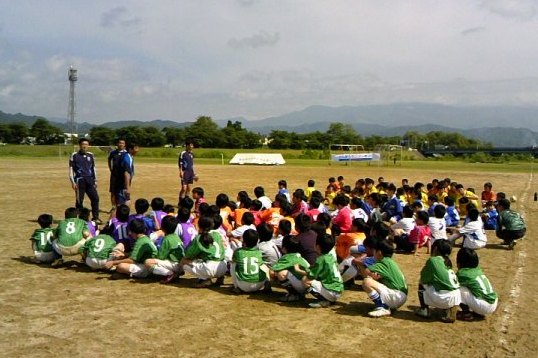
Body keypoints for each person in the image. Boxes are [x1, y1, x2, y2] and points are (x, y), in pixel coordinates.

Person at [357, 240, 408, 317]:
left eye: (374, 251)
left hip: (396, 296)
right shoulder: (389, 261)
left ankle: (382, 307)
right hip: (399, 295)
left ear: (379, 252)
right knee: (372, 280)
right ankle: (386, 305)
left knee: (367, 282)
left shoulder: (383, 262)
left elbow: (366, 272)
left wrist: (359, 264)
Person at [415, 240, 461, 323]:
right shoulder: (448, 261)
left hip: (443, 298)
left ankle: (424, 310)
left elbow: (424, 278)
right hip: (456, 297)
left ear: (435, 249)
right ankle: (448, 310)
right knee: (442, 284)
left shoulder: (433, 260)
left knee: (422, 282)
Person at [299, 233, 344, 308]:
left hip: (331, 291)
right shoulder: (331, 257)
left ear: (317, 246)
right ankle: (328, 299)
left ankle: (324, 300)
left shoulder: (321, 259)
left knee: (305, 280)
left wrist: (299, 270)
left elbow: (311, 275)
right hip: (338, 290)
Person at [180, 216, 227, 288]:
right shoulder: (217, 234)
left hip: (210, 268)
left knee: (184, 261)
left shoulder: (199, 238)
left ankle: (205, 280)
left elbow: (188, 255)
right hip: (223, 266)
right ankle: (220, 277)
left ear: (199, 226)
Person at [456, 248, 498, 321]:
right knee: (469, 288)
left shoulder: (462, 273)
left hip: (484, 306)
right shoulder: (477, 269)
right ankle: (477, 311)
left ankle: (466, 314)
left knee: (457, 289)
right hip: (493, 303)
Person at [145, 215, 185, 284]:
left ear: (162, 227)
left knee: (148, 262)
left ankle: (169, 274)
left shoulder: (167, 239)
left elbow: (161, 257)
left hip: (175, 265)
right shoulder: (176, 236)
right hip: (181, 265)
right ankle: (174, 273)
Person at [270, 235, 311, 302]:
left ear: (284, 248)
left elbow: (272, 271)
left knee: (281, 273)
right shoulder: (298, 255)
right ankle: (297, 293)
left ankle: (294, 294)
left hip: (303, 285)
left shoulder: (287, 258)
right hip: (308, 284)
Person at [69, 138, 100, 223]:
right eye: (83, 144)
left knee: (95, 198)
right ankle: (79, 219)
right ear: (80, 145)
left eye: (86, 144)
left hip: (90, 180)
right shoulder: (74, 155)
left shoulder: (91, 155)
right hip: (80, 180)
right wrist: (72, 182)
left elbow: (93, 168)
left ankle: (95, 217)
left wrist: (95, 180)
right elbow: (71, 169)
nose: (85, 146)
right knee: (79, 200)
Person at [230, 229, 270, 293]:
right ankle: (267, 282)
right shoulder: (259, 252)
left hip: (243, 286)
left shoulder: (238, 251)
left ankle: (236, 287)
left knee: (233, 263)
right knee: (264, 265)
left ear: (244, 240)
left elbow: (233, 262)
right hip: (259, 284)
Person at [107, 138, 126, 208]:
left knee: (123, 191)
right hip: (114, 176)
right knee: (113, 191)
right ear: (117, 144)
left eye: (122, 143)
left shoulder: (126, 153)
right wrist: (111, 169)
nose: (121, 144)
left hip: (123, 176)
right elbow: (109, 161)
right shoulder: (113, 153)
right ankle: (113, 207)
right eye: (120, 143)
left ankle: (122, 206)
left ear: (124, 145)